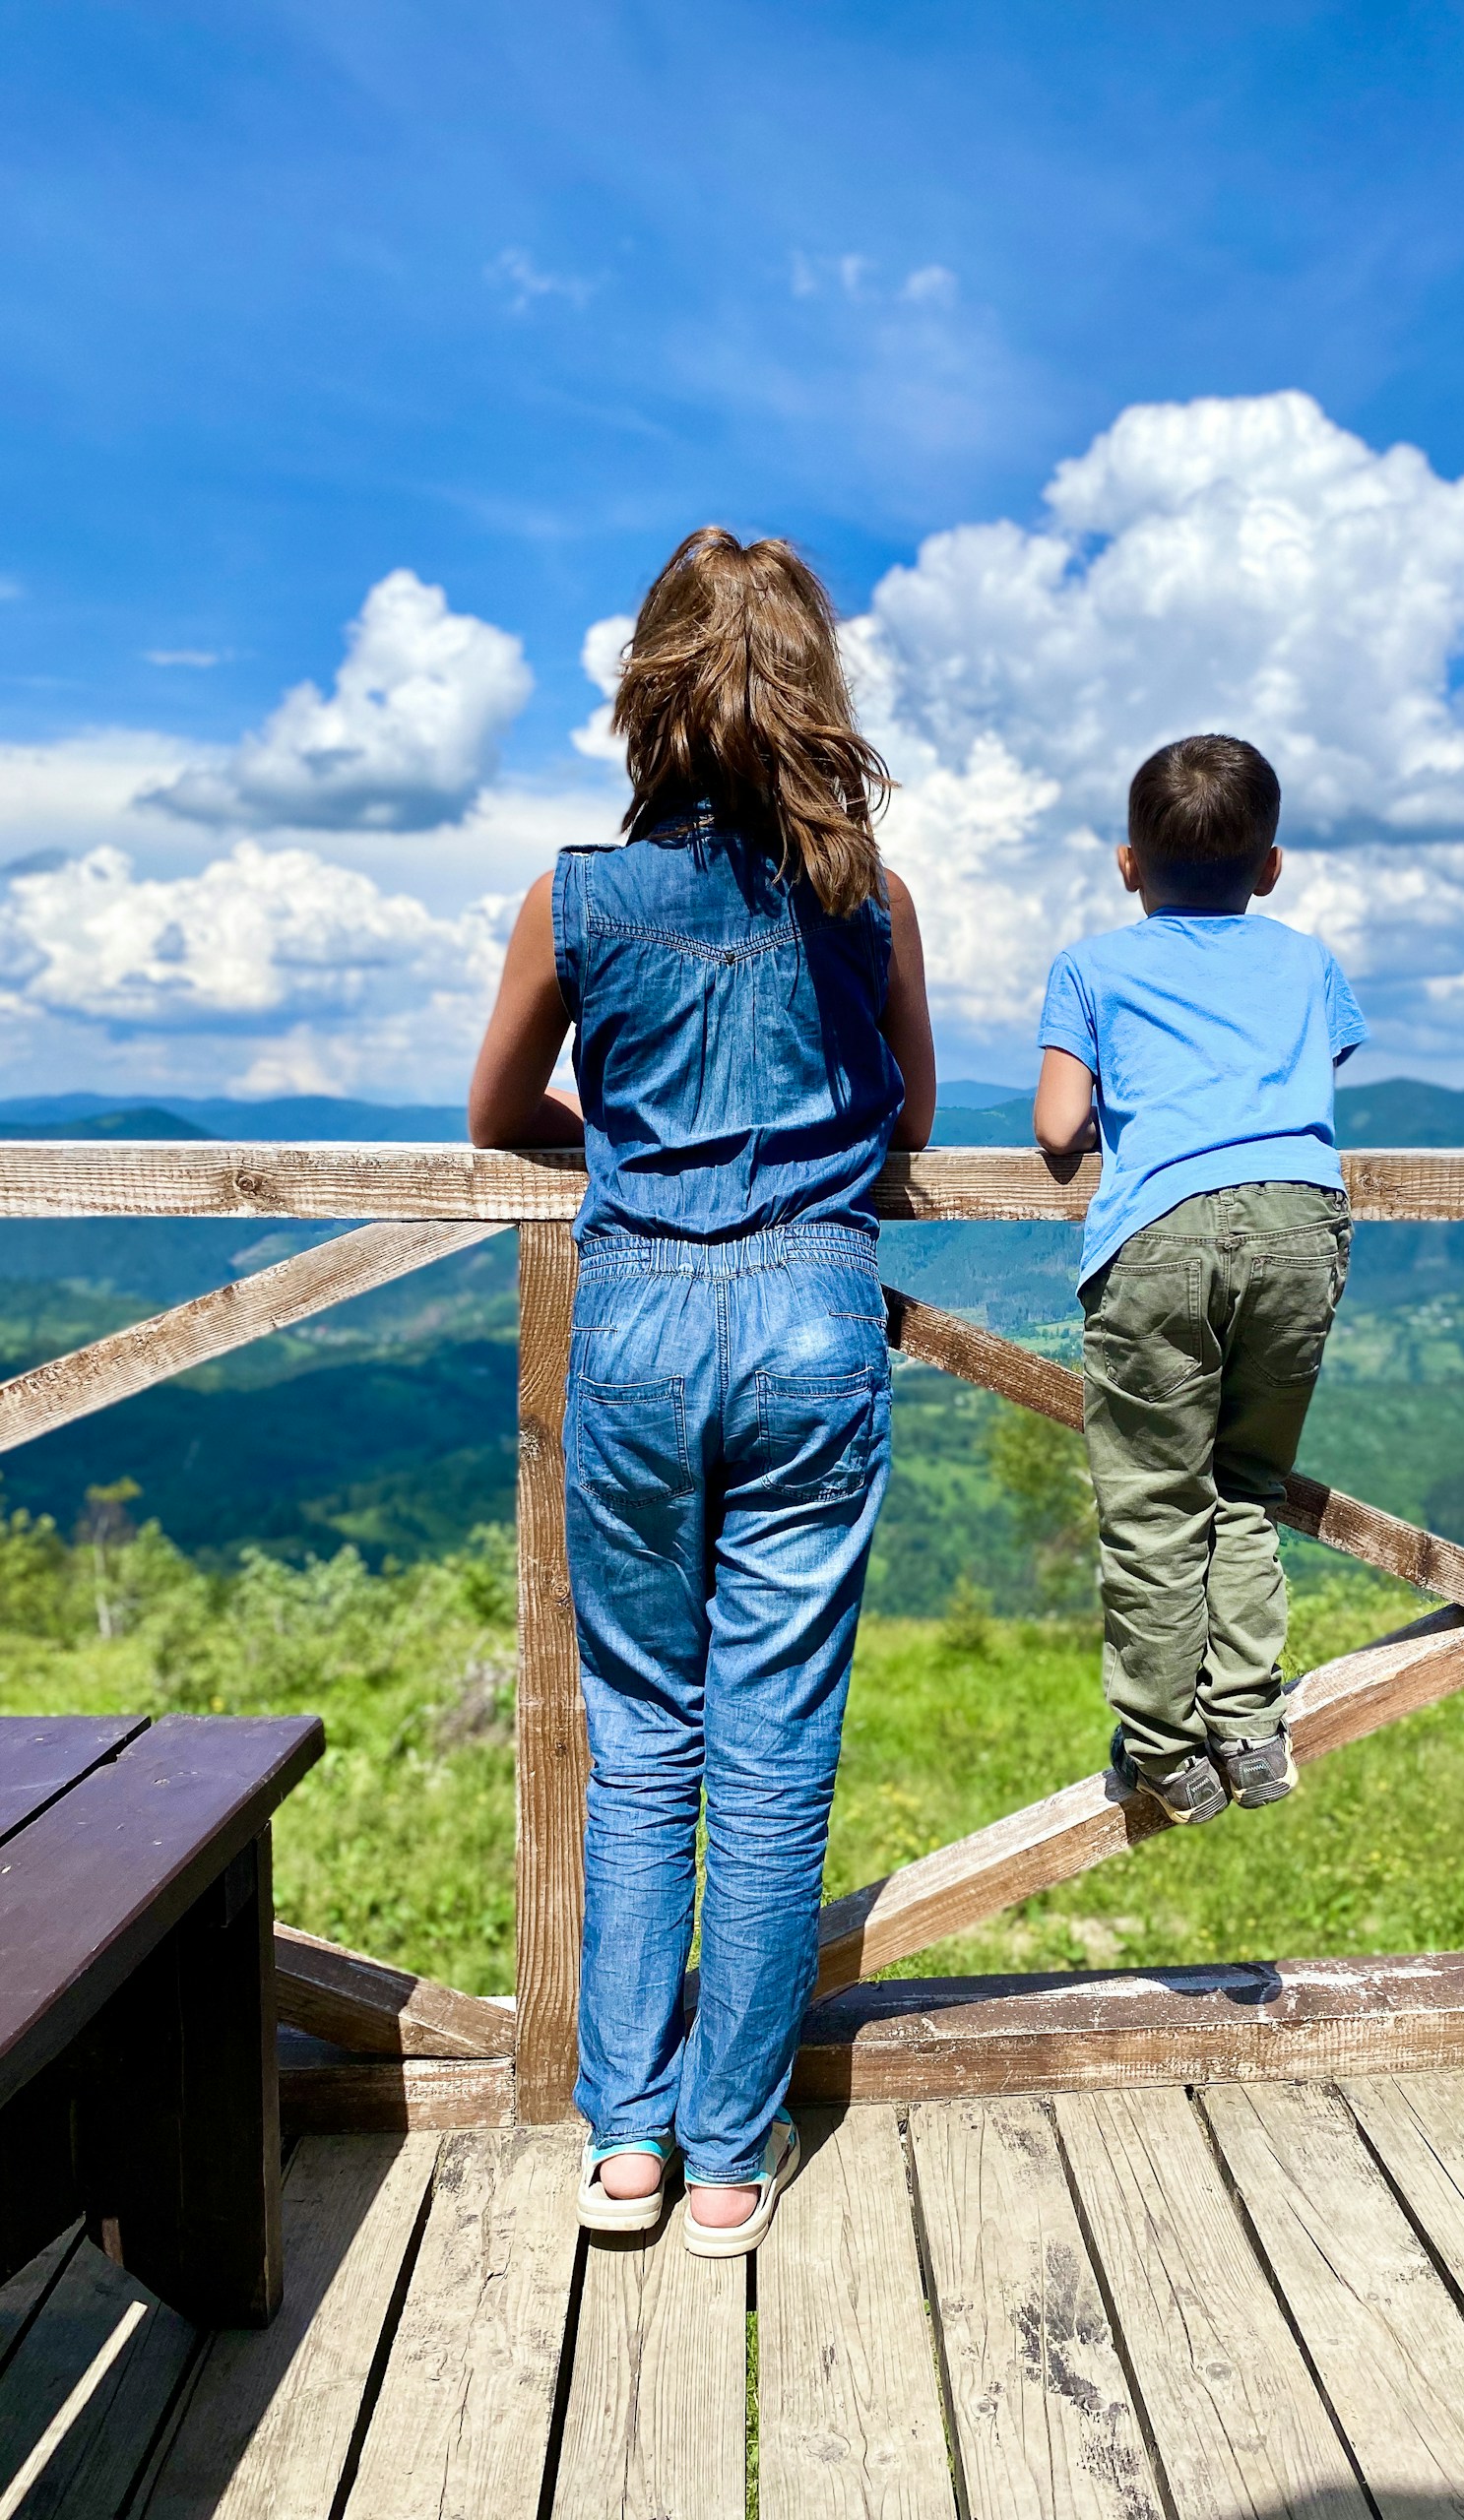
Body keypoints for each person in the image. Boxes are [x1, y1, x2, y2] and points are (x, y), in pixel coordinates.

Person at [469, 528, 935, 2256]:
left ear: (646, 699)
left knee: (643, 1735)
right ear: (815, 696)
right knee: (774, 1734)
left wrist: (643, 1157)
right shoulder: (867, 899)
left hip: (643, 1317)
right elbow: (912, 1123)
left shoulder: (571, 898)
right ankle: (736, 2156)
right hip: (817, 1309)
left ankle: (628, 2145)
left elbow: (498, 1116)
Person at [1033, 733, 1365, 1827]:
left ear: (1129, 862)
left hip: (1161, 1240)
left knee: (1152, 1504)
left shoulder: (1091, 965)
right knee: (1247, 1489)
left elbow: (1056, 1124)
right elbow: (1315, 1067)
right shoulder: (1307, 959)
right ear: (1270, 866)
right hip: (1300, 1226)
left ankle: (1166, 1751)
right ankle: (1252, 1730)